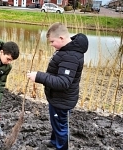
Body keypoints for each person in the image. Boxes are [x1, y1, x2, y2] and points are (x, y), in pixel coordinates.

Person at [27, 22, 88, 150]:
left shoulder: (70, 56)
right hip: (58, 98)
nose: (51, 45)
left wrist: (39, 77)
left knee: (61, 127)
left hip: (62, 100)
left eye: (52, 41)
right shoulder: (66, 50)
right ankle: (55, 142)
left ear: (61, 38)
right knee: (57, 123)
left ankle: (61, 147)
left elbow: (63, 82)